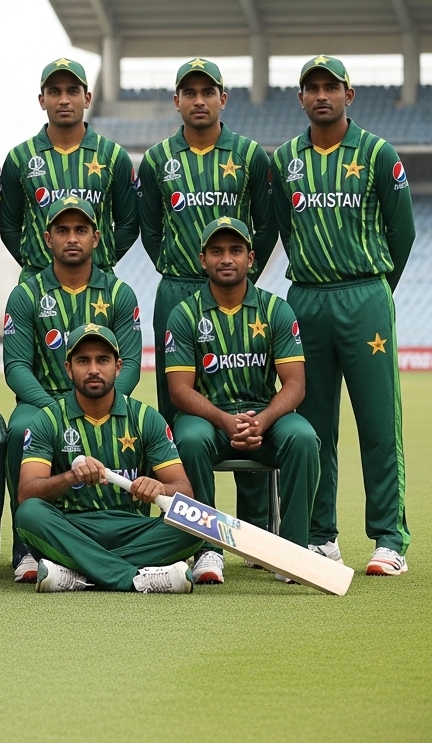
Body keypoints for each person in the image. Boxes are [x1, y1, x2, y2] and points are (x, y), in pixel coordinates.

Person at [271, 55, 416, 576]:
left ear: (349, 94)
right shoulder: (285, 157)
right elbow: (283, 230)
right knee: (313, 425)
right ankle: (319, 536)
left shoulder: (377, 153)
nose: (321, 95)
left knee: (378, 422)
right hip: (307, 298)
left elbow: (402, 234)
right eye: (311, 87)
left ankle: (389, 539)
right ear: (301, 98)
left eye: (330, 86)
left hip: (364, 298)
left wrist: (375, 289)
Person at [137, 59, 277, 528]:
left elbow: (267, 223)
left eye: (207, 91)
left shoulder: (251, 154)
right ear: (176, 101)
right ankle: (190, 525)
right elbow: (150, 228)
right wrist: (177, 266)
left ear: (223, 98)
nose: (199, 100)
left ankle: (257, 528)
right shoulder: (158, 159)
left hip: (237, 290)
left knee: (248, 397)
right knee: (178, 415)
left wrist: (238, 270)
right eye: (189, 93)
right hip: (178, 287)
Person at [166, 218, 318, 584]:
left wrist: (261, 421)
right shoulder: (185, 314)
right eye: (217, 251)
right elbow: (180, 390)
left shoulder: (275, 310)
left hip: (265, 418)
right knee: (187, 439)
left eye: (235, 251)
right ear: (202, 259)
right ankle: (206, 549)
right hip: (210, 420)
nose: (226, 259)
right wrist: (224, 421)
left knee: (303, 437)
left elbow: (295, 385)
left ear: (251, 258)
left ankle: (292, 552)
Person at [2, 196, 140, 583]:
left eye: (81, 230)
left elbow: (127, 365)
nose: (72, 238)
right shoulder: (27, 294)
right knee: (18, 430)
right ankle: (26, 551)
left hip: (105, 400)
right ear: (47, 238)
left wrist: (102, 402)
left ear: (96, 238)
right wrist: (58, 411)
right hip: (41, 402)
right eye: (62, 230)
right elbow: (15, 366)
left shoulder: (119, 293)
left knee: (135, 425)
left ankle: (122, 529)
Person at [15, 324, 199, 593]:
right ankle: (137, 578)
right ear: (68, 368)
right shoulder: (47, 419)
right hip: (72, 529)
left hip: (134, 529)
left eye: (103, 360)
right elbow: (26, 493)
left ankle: (79, 574)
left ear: (118, 366)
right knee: (29, 514)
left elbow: (186, 494)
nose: (93, 369)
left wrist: (161, 488)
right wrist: (70, 477)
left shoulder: (146, 418)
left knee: (192, 524)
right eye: (83, 361)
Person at [0, 58, 138, 278]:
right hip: (37, 283)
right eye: (55, 92)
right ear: (42, 100)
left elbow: (128, 226)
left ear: (87, 99)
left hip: (97, 283)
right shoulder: (20, 158)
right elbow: (8, 227)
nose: (64, 100)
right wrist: (39, 263)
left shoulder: (113, 156)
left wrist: (96, 261)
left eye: (73, 91)